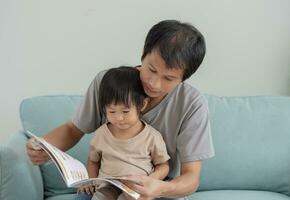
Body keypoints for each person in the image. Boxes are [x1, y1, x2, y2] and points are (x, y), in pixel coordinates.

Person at [26, 19, 215, 200]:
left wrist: (160, 188)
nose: (154, 84)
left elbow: (191, 177)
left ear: (183, 78)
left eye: (169, 78)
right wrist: (44, 146)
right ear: (143, 54)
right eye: (151, 69)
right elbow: (73, 129)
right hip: (105, 186)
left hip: (157, 189)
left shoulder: (192, 105)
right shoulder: (108, 83)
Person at [77, 66, 170, 200]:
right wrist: (90, 180)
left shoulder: (152, 136)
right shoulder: (101, 134)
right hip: (107, 185)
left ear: (142, 104)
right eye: (112, 112)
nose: (119, 118)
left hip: (137, 187)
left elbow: (163, 165)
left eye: (125, 111)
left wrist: (151, 179)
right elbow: (93, 161)